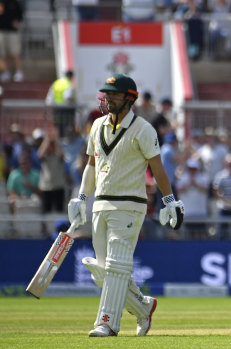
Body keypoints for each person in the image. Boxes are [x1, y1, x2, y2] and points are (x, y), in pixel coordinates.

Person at [67, 73, 184, 337]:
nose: (107, 99)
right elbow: (91, 166)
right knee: (102, 271)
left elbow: (158, 169)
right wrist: (81, 198)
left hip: (130, 205)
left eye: (114, 95)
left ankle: (106, 323)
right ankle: (143, 308)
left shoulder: (144, 129)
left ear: (129, 99)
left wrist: (169, 201)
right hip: (101, 205)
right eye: (106, 95)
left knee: (116, 266)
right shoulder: (97, 126)